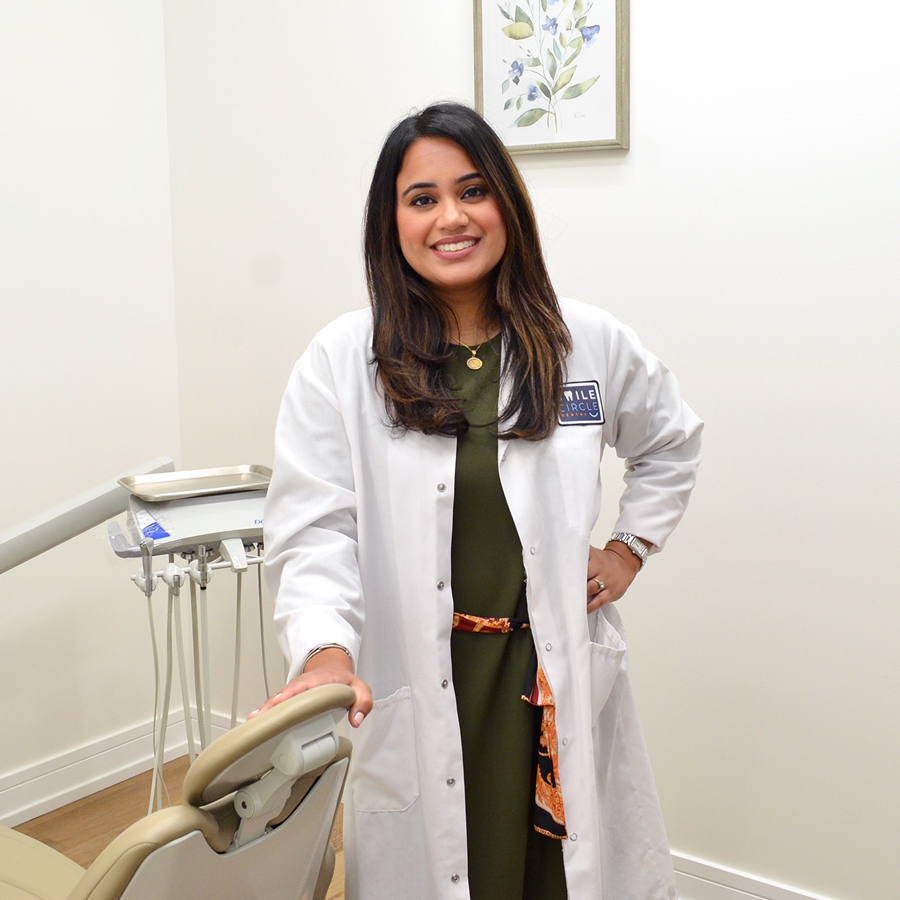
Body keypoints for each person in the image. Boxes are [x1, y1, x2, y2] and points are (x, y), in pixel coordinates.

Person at [254, 102, 702, 900]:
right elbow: (314, 531)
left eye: (472, 191)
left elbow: (671, 440)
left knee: (560, 875)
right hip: (428, 678)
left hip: (545, 672)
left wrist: (631, 547)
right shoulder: (340, 361)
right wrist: (325, 648)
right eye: (421, 199)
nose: (450, 218)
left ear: (508, 205)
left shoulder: (582, 341)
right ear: (390, 222)